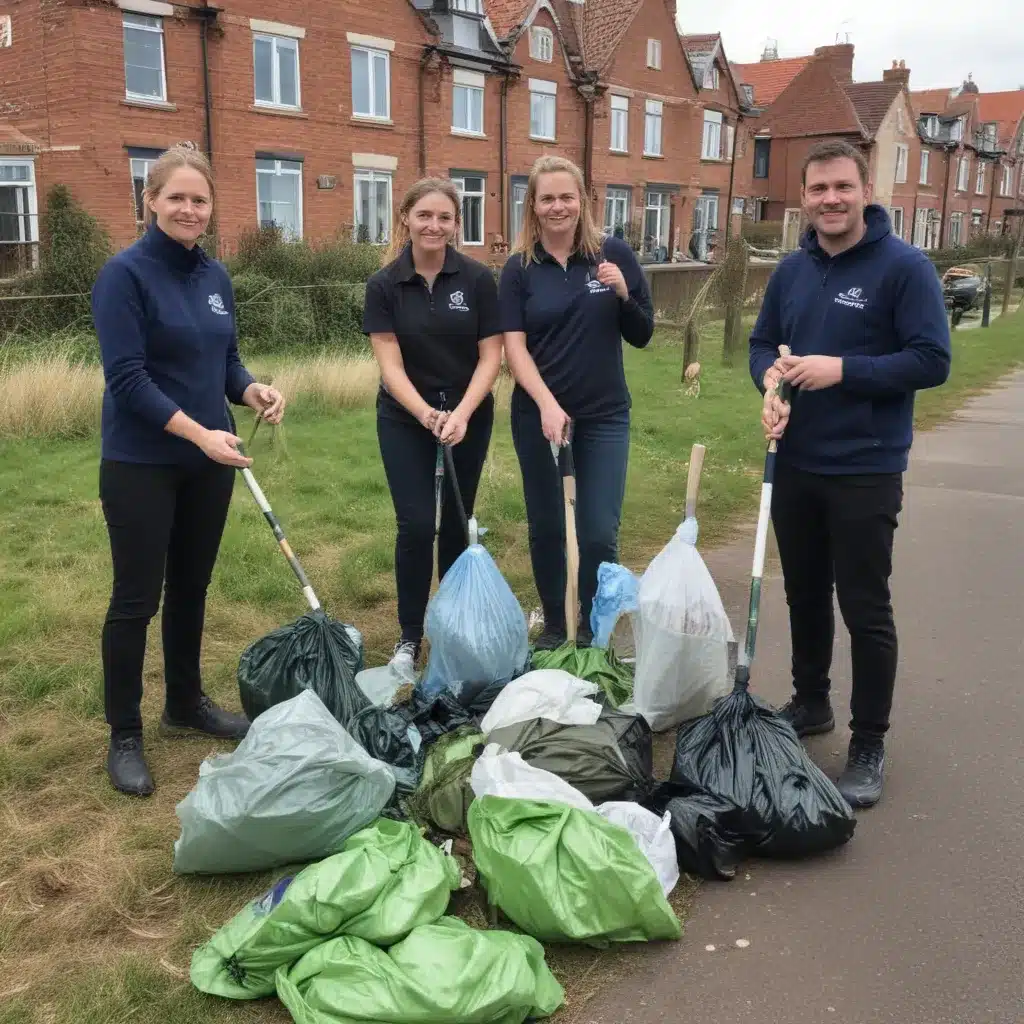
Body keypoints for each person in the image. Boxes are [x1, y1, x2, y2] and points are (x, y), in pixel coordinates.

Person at [751, 139, 951, 809]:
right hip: (796, 461)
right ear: (803, 198)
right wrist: (771, 385)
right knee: (804, 593)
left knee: (864, 607)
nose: (830, 200)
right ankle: (812, 702)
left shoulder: (905, 268)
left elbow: (931, 360)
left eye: (841, 187)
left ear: (865, 190)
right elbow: (761, 344)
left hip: (865, 467)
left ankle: (869, 741)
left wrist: (844, 370)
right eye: (818, 190)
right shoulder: (791, 271)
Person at [91, 145, 286, 798]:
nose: (188, 209)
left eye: (199, 199)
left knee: (192, 588)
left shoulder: (216, 279)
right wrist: (200, 433)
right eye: (175, 197)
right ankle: (124, 733)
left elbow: (223, 363)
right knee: (136, 598)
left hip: (209, 463)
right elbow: (127, 380)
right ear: (150, 201)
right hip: (141, 464)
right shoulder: (124, 276)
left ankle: (185, 701)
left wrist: (252, 390)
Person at [499, 155, 654, 650]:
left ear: (583, 201)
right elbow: (514, 347)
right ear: (534, 206)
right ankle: (552, 625)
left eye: (567, 196)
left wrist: (624, 293)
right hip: (537, 417)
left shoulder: (612, 255)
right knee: (547, 526)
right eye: (548, 198)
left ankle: (591, 626)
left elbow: (643, 334)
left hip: (604, 416)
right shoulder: (519, 269)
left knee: (597, 532)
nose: (558, 206)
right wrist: (545, 404)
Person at [362, 178, 503, 676]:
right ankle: (409, 636)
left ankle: (453, 626)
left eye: (444, 217)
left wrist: (462, 413)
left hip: (469, 414)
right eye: (424, 215)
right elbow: (390, 366)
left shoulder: (479, 280)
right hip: (405, 417)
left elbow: (492, 356)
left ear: (456, 224)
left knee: (458, 526)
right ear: (406, 218)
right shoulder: (383, 286)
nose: (433, 226)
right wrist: (425, 413)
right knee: (417, 524)